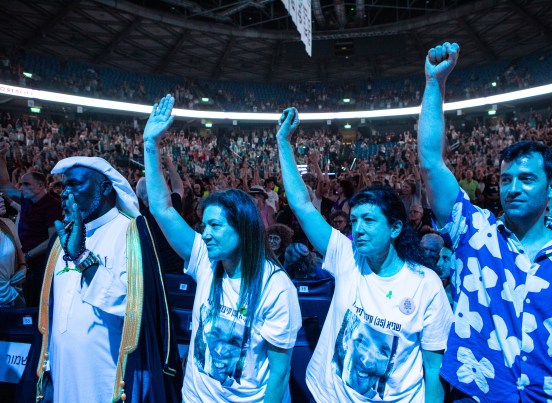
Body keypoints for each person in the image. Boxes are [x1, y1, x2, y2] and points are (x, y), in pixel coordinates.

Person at [418, 41, 552, 402]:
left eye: (526, 179)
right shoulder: (474, 232)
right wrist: (433, 84)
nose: (513, 188)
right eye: (506, 180)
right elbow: (429, 162)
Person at [277, 106, 452, 402]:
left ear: (395, 228)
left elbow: (434, 369)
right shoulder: (347, 255)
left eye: (369, 221)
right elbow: (302, 205)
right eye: (355, 221)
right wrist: (283, 142)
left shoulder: (425, 284)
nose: (358, 229)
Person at [142, 94, 301, 403]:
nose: (206, 233)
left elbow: (280, 376)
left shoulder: (276, 287)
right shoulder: (206, 259)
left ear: (242, 229)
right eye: (205, 224)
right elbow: (162, 208)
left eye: (216, 226)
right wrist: (150, 145)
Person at [16, 156, 182, 403]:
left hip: (106, 377)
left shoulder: (131, 233)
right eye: (63, 187)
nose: (64, 194)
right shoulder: (62, 236)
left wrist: (83, 257)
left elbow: (134, 308)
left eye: (75, 185)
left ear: (105, 188)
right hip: (62, 373)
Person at [0, 148, 63, 306]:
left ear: (40, 185)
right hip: (25, 264)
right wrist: (1, 158)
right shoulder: (27, 199)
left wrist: (27, 256)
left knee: (37, 303)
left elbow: (52, 239)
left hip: (40, 265)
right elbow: (5, 184)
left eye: (26, 184)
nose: (20, 188)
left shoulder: (52, 205)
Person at [0, 196, 27, 306]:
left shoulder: (8, 224)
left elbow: (21, 259)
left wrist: (23, 268)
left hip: (12, 296)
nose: (2, 199)